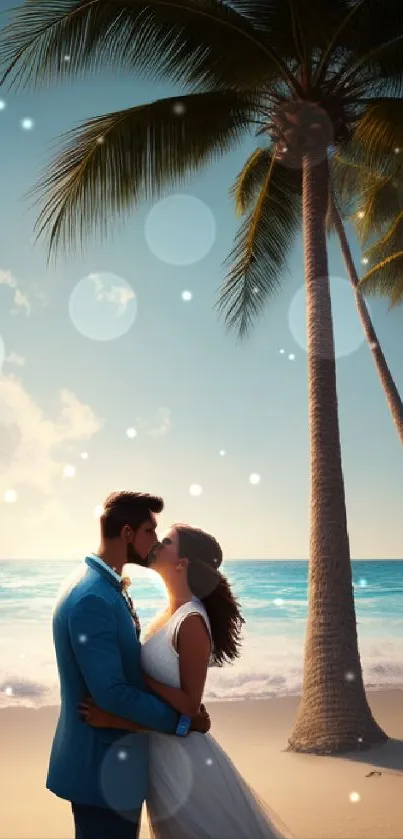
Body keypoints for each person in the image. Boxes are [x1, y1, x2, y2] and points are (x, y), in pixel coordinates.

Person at [80, 523, 293, 838]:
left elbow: (190, 706)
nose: (156, 544)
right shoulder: (168, 612)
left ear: (182, 563)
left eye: (166, 541)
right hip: (164, 755)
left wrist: (133, 691)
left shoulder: (191, 621)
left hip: (185, 767)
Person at [46, 491, 211, 839]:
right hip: (102, 769)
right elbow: (112, 694)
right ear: (126, 534)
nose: (154, 542)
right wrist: (181, 723)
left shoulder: (101, 583)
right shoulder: (94, 596)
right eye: (150, 532)